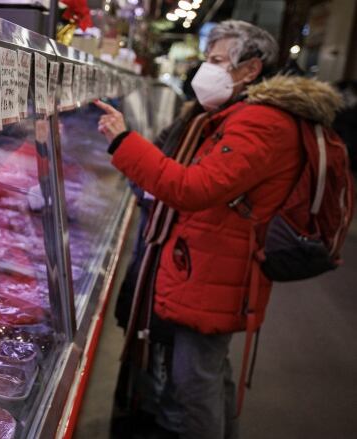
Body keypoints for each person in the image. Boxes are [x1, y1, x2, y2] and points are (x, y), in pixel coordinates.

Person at [95, 20, 343, 439]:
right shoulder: (239, 113)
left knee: (194, 382)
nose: (204, 70)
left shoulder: (261, 122)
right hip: (210, 261)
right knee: (210, 372)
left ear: (250, 70)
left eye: (215, 61)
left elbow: (194, 188)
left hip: (217, 269)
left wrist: (124, 142)